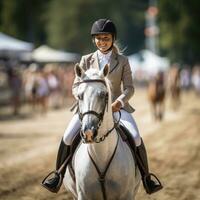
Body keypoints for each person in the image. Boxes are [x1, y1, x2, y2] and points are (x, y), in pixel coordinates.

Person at [42, 18, 163, 194]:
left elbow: (129, 88)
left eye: (106, 38)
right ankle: (58, 176)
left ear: (112, 39)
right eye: (99, 38)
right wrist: (83, 98)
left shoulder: (122, 61)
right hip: (89, 108)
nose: (102, 42)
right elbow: (76, 85)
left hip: (117, 108)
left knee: (136, 137)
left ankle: (146, 177)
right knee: (68, 136)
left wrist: (119, 102)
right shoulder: (85, 60)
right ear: (94, 40)